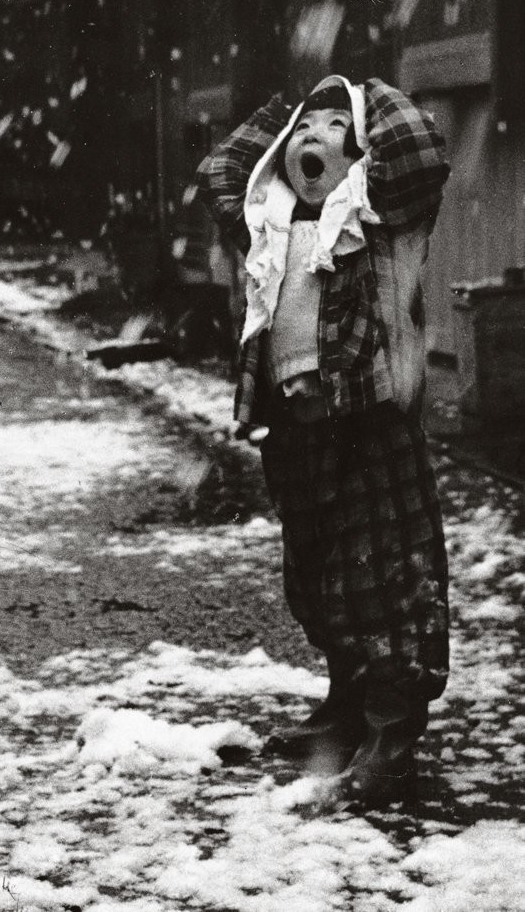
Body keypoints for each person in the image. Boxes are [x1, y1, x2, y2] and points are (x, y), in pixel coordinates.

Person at [196, 77, 450, 809]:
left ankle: (392, 734)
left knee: (391, 584)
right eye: (303, 129)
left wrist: (362, 92)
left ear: (363, 150)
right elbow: (221, 168)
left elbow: (417, 150)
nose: (314, 134)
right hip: (298, 433)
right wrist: (286, 109)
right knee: (321, 577)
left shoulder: (382, 218)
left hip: (373, 430)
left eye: (337, 126)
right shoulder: (265, 223)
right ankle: (345, 710)